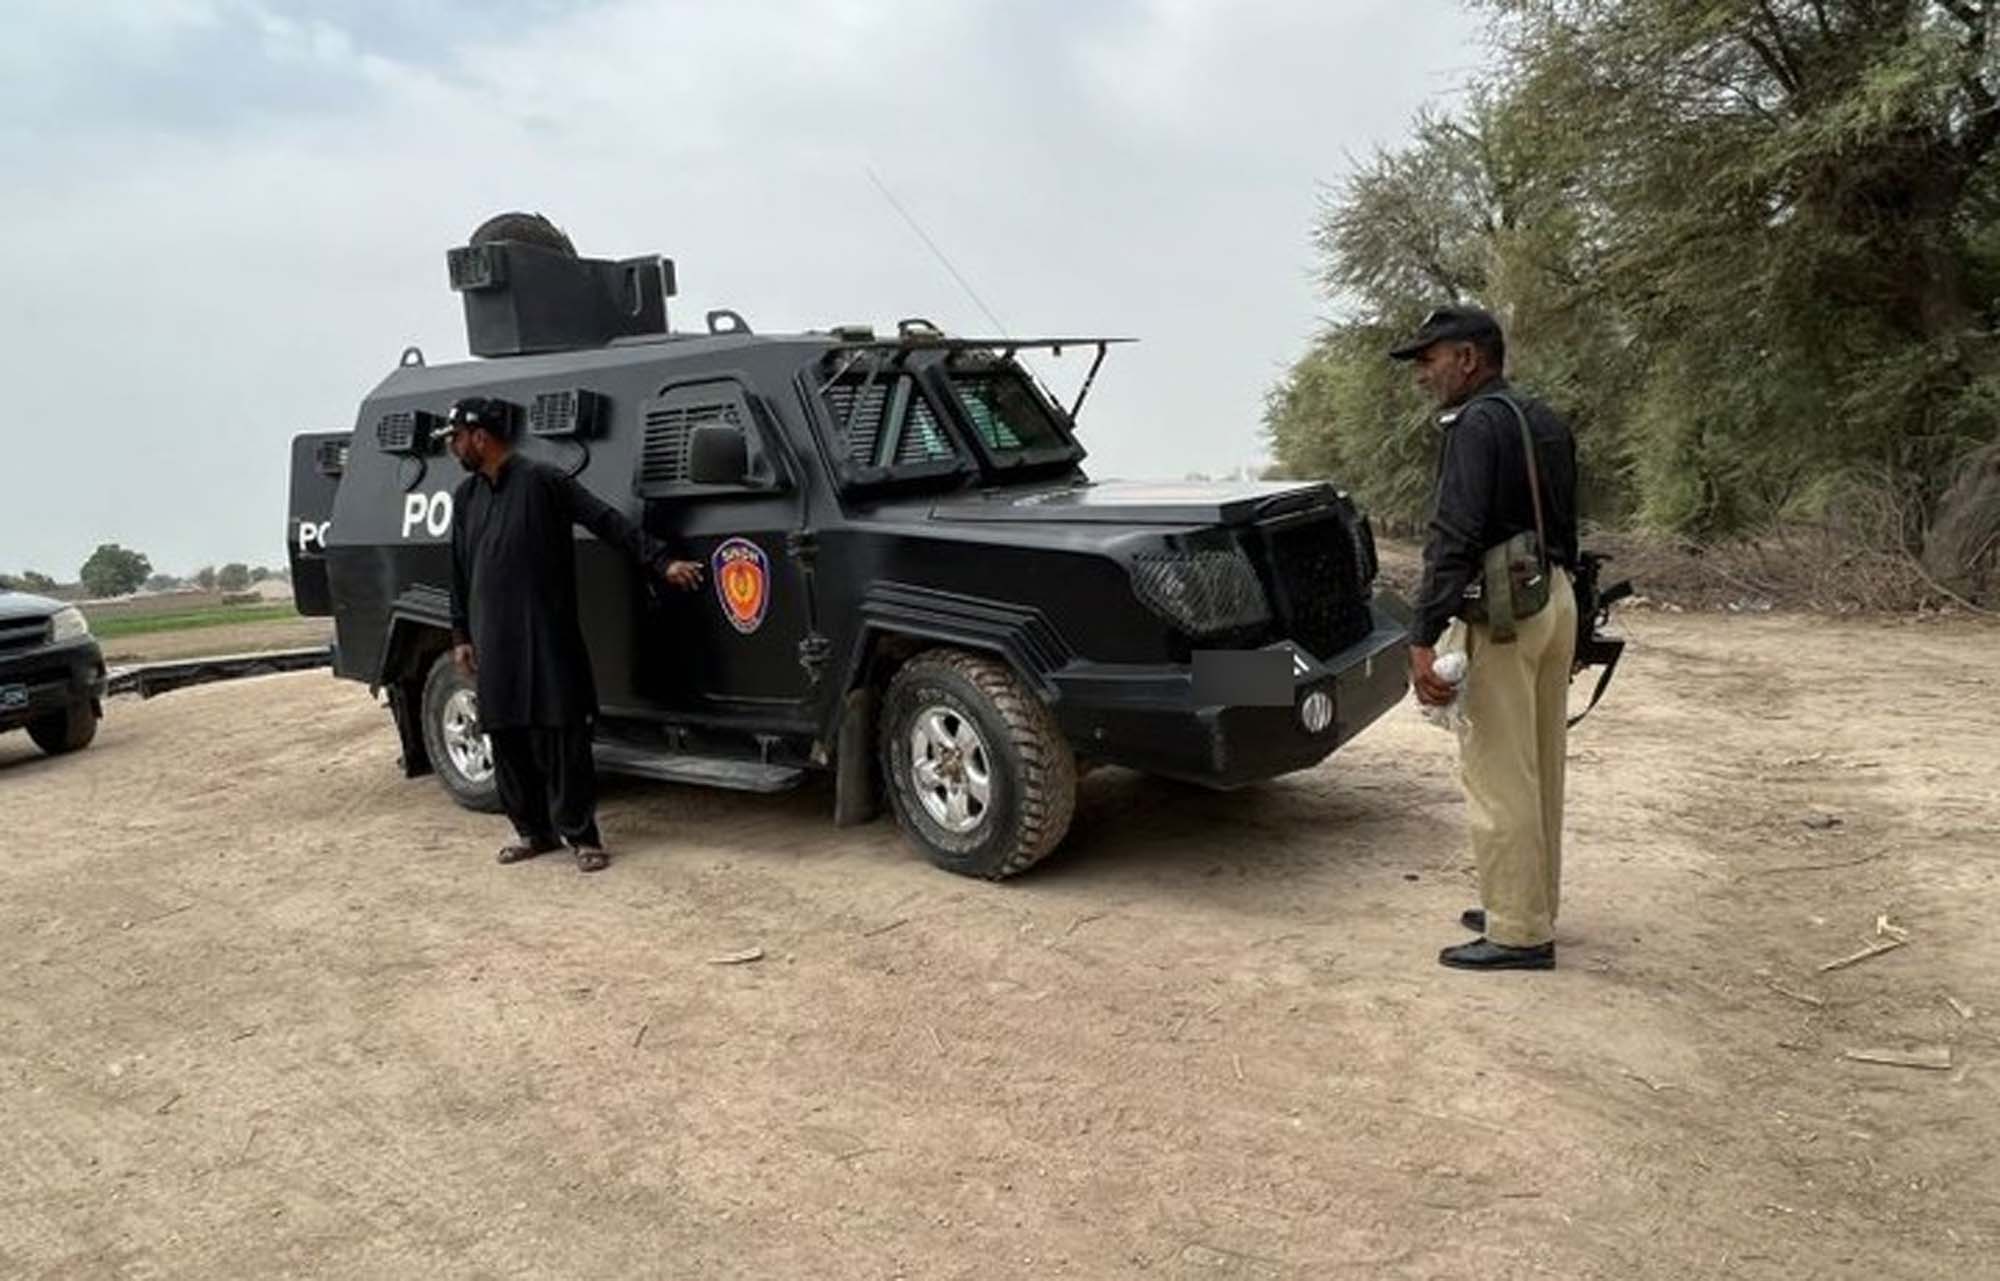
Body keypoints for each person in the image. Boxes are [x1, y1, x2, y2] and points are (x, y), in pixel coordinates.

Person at [1390, 306, 1580, 971]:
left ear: (1468, 358)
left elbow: (1455, 535)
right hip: (1554, 598)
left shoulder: (1474, 425)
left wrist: (1421, 635)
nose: (1422, 373)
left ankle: (1520, 933)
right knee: (1540, 763)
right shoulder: (1542, 418)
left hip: (1503, 613)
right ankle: (1529, 903)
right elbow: (1566, 523)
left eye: (1429, 358)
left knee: (1499, 772)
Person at [444, 396, 703, 872]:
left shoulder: (543, 481)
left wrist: (661, 561)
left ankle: (581, 836)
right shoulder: (465, 498)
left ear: (481, 436)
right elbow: (458, 571)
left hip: (546, 634)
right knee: (506, 736)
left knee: (562, 735)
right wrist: (460, 633)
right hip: (493, 640)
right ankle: (532, 831)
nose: (452, 448)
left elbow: (606, 521)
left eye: (456, 438)